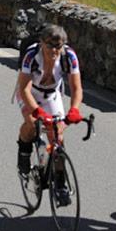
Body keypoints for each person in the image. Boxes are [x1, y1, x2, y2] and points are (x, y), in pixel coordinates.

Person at [15, 25, 83, 206]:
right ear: (41, 43)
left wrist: (74, 110)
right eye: (50, 46)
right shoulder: (32, 56)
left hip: (52, 94)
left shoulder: (69, 56)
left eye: (58, 47)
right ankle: (24, 153)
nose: (54, 51)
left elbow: (76, 88)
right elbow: (24, 89)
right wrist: (37, 112)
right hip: (30, 92)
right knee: (31, 123)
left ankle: (60, 183)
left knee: (57, 138)